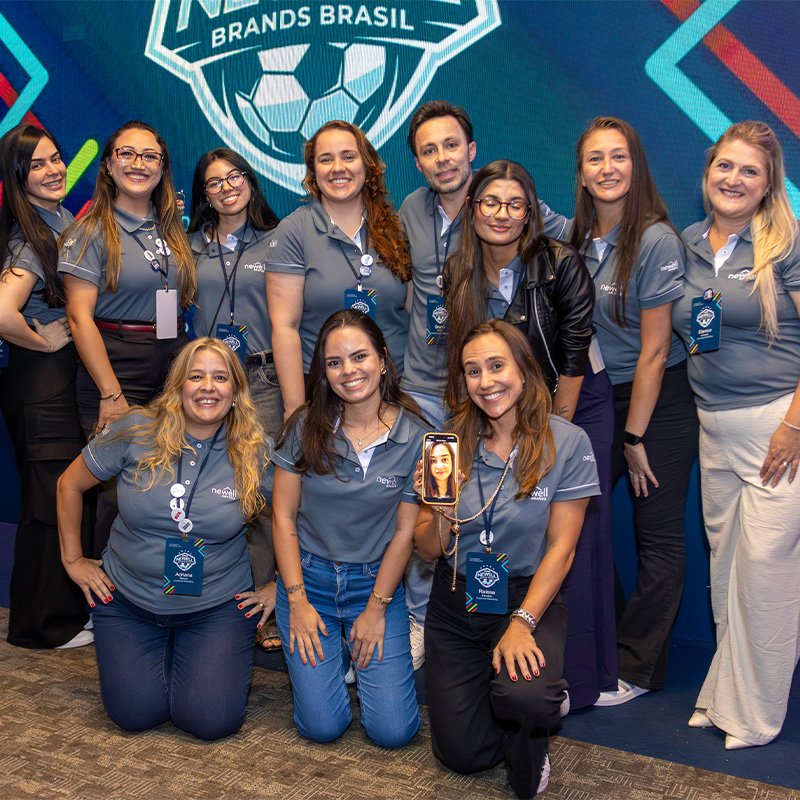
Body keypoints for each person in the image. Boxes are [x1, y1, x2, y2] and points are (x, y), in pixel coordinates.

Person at [445, 159, 616, 709]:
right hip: (495, 408)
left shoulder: (559, 262)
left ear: (530, 213)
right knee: (502, 532)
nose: (502, 214)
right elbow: (461, 358)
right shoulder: (458, 269)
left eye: (515, 204)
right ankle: (493, 664)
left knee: (571, 548)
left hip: (570, 406)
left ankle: (575, 682)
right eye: (490, 202)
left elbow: (572, 354)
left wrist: (551, 437)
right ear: (473, 210)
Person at [415, 319, 599, 798]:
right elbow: (428, 549)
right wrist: (438, 511)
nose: (486, 381)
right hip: (456, 601)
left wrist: (522, 622)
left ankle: (532, 717)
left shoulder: (568, 442)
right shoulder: (448, 443)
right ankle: (509, 697)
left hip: (523, 597)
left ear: (524, 369)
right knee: (462, 757)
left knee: (526, 699)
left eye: (497, 366)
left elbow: (563, 548)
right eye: (473, 371)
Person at [56, 337, 271, 740]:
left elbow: (300, 517)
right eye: (196, 376)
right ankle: (171, 652)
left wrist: (280, 586)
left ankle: (194, 652)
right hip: (128, 600)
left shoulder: (255, 450)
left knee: (210, 721)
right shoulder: (134, 430)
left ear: (237, 392)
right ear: (178, 386)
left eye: (220, 377)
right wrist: (73, 560)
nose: (208, 386)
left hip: (216, 605)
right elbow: (68, 485)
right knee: (134, 715)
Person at [673, 121, 800, 749]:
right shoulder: (689, 243)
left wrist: (795, 426)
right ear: (707, 174)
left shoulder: (787, 244)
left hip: (778, 428)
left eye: (749, 171)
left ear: (767, 183)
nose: (734, 179)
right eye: (725, 166)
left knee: (766, 571)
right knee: (725, 572)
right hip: (712, 428)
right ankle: (725, 695)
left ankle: (755, 715)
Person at [565, 117, 698, 706]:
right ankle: (604, 646)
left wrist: (636, 435)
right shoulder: (574, 238)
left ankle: (639, 669)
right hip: (597, 397)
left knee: (657, 534)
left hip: (657, 400)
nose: (608, 169)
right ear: (582, 174)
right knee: (583, 524)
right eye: (595, 159)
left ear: (636, 165)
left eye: (618, 157)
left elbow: (655, 349)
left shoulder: (656, 239)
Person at [272, 309, 424, 748]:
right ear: (323, 371)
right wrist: (296, 599)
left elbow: (404, 533)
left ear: (382, 360)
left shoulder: (418, 437)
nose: (348, 371)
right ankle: (333, 658)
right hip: (308, 582)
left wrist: (376, 609)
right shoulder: (304, 425)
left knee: (394, 732)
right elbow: (282, 517)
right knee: (322, 727)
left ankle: (355, 649)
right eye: (334, 362)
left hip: (374, 587)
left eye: (359, 357)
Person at [58, 120, 196, 555]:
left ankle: (148, 599)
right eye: (127, 154)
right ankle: (104, 614)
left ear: (163, 167)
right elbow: (79, 319)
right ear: (108, 166)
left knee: (162, 491)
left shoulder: (170, 229)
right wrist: (110, 392)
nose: (139, 164)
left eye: (150, 156)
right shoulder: (91, 231)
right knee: (115, 497)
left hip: (169, 367)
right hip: (117, 369)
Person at [0, 123, 90, 649]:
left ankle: (64, 614)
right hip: (39, 385)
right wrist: (44, 342)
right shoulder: (27, 235)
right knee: (46, 502)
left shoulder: (60, 219)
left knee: (64, 497)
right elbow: (3, 313)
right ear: (18, 176)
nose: (54, 170)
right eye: (38, 164)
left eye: (56, 159)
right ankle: (40, 627)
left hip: (59, 385)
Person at [188, 147, 281, 642]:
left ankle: (260, 601)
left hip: (261, 380)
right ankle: (209, 596)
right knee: (208, 486)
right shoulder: (189, 246)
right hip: (206, 383)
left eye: (235, 176)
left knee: (259, 491)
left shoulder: (278, 239)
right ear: (203, 193)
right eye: (214, 182)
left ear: (250, 181)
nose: (226, 187)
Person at [266, 120, 411, 421]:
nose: (337, 167)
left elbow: (411, 310)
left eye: (348, 156)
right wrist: (295, 410)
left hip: (395, 386)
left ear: (367, 164)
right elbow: (285, 327)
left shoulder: (396, 226)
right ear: (313, 172)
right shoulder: (295, 230)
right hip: (324, 390)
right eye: (325, 159)